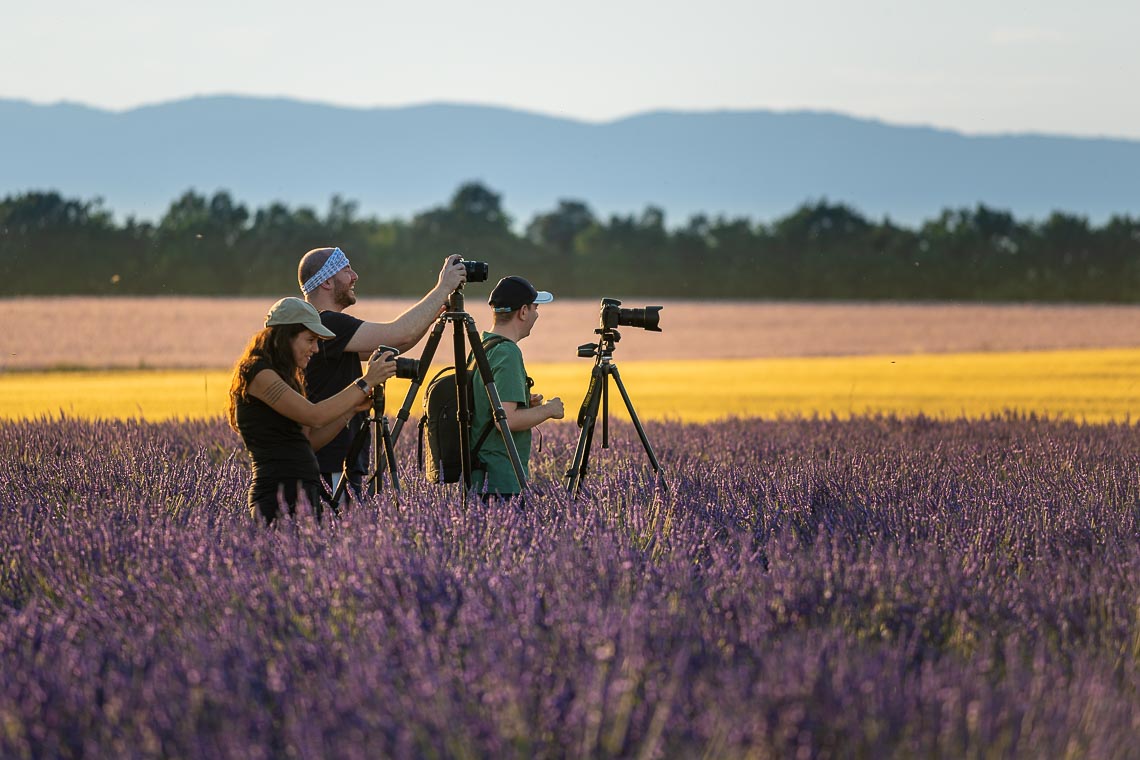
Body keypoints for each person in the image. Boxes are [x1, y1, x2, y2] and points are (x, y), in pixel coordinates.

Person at [298, 247, 467, 498]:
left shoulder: (322, 327)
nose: (354, 276)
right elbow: (399, 334)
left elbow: (395, 345)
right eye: (346, 270)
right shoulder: (326, 324)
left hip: (338, 461)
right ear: (326, 281)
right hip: (330, 465)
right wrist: (442, 288)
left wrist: (432, 312)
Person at [227, 297, 397, 524]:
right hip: (276, 497)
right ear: (285, 337)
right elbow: (314, 415)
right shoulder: (258, 373)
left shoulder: (285, 377)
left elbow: (308, 441)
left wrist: (351, 410)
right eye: (310, 340)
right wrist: (366, 381)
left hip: (305, 493)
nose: (316, 349)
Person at [470, 275, 565, 500]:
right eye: (534, 307)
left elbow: (488, 404)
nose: (537, 314)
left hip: (479, 475)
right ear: (523, 312)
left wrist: (524, 401)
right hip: (499, 478)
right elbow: (506, 420)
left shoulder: (483, 346)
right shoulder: (507, 353)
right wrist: (549, 410)